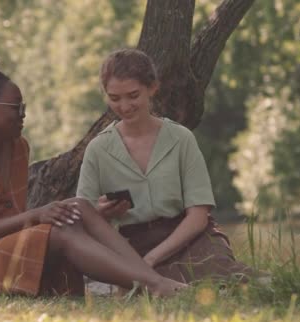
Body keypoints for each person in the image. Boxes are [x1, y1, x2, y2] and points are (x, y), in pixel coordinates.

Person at [0, 46, 186, 297]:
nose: (23, 114)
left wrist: (89, 213)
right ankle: (153, 286)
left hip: (1, 246)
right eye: (16, 107)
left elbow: (13, 218)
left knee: (79, 208)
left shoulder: (17, 148)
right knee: (59, 231)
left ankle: (150, 278)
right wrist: (38, 215)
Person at [76, 48, 257, 284]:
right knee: (148, 285)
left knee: (219, 277)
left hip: (190, 237)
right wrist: (101, 213)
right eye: (114, 98)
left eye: (133, 95)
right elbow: (84, 219)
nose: (124, 106)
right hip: (131, 245)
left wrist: (150, 260)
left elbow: (198, 216)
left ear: (152, 88)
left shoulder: (181, 139)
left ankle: (267, 282)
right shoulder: (98, 149)